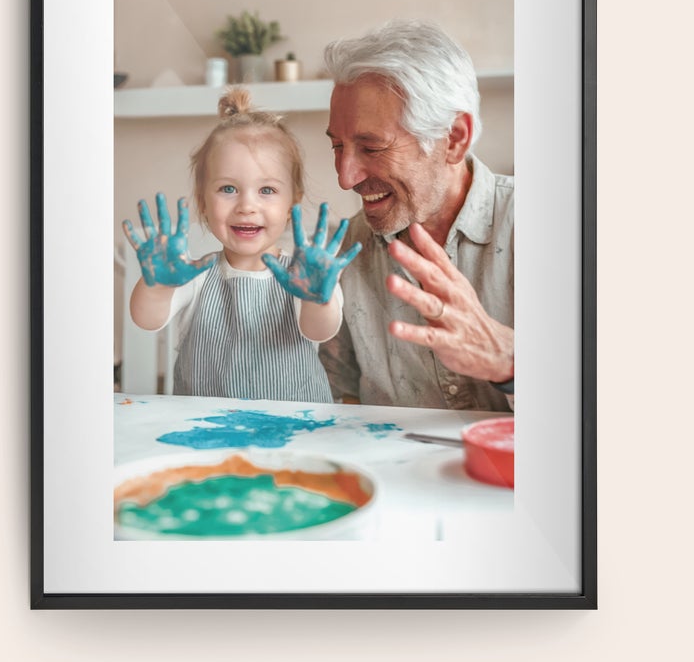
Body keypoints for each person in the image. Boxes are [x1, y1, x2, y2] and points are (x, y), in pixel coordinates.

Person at [318, 20, 515, 411]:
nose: (345, 177)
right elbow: (340, 402)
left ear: (454, 138)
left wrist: (510, 361)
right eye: (338, 146)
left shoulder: (558, 227)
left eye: (371, 148)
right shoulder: (343, 250)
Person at [123, 87, 360, 403]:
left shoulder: (305, 276)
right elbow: (146, 319)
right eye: (228, 188)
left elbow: (320, 331)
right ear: (203, 202)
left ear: (293, 202)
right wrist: (157, 288)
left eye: (266, 191)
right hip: (206, 430)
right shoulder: (194, 276)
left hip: (294, 430)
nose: (247, 206)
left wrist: (319, 298)